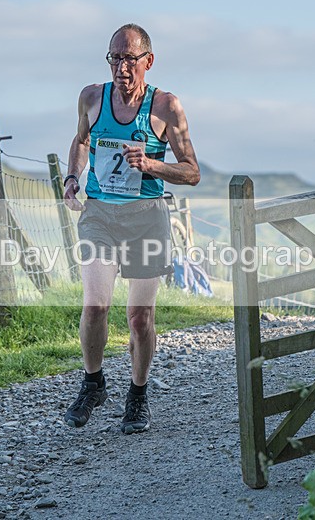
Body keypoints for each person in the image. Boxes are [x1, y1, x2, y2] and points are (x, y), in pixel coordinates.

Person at [62, 23, 200, 434]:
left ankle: (137, 395)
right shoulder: (92, 97)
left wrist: (152, 165)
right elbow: (81, 140)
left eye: (129, 59)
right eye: (115, 58)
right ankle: (93, 384)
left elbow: (192, 172)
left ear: (148, 61)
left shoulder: (166, 107)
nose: (121, 68)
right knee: (95, 305)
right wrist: (72, 177)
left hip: (146, 218)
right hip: (100, 215)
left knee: (139, 317)